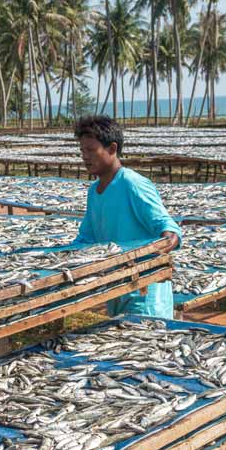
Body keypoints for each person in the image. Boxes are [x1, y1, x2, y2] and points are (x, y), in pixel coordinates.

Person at [74, 115, 181, 318]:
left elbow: (165, 224)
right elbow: (86, 238)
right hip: (116, 286)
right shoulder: (94, 191)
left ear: (112, 149)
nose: (85, 156)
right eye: (82, 150)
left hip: (145, 293)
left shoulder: (133, 184)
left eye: (90, 150)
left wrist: (169, 237)